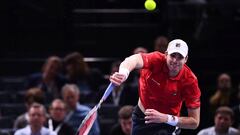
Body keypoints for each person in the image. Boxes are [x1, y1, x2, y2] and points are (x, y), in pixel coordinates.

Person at [110, 39, 201, 135]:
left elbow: (194, 122)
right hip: (142, 118)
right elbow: (134, 59)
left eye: (180, 57)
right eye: (173, 55)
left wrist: (165, 118)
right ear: (166, 54)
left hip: (167, 124)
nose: (175, 60)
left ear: (186, 59)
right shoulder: (156, 59)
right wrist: (124, 73)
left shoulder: (190, 81)